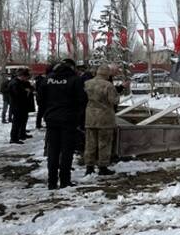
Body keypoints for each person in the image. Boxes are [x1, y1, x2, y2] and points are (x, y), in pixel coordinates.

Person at [40, 59, 85, 189]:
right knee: (67, 150)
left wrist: (46, 113)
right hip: (68, 119)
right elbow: (82, 100)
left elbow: (40, 99)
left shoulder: (47, 79)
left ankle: (52, 181)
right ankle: (65, 180)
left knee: (53, 150)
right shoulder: (75, 80)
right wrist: (77, 115)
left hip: (51, 118)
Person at [82, 64, 120, 175]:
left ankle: (89, 167)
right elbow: (114, 101)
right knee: (104, 143)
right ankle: (103, 167)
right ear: (107, 74)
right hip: (105, 118)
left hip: (90, 117)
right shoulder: (108, 85)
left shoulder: (87, 84)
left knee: (90, 143)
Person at [7, 69, 36, 143]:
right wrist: (25, 91)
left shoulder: (23, 82)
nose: (27, 79)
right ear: (22, 76)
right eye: (26, 77)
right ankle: (14, 138)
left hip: (23, 105)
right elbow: (17, 94)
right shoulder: (15, 83)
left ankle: (22, 134)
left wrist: (29, 89)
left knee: (23, 120)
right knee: (16, 122)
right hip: (17, 105)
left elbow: (31, 88)